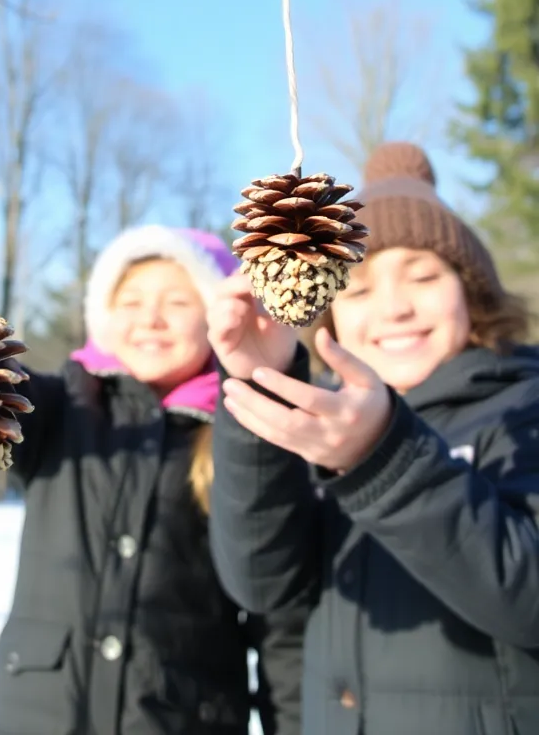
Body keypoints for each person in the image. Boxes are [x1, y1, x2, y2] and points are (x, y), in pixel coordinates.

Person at [0, 158, 302, 735]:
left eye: (178, 302)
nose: (151, 320)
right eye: (131, 303)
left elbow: (279, 617)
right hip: (39, 714)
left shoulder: (242, 431)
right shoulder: (64, 407)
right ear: (103, 317)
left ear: (221, 317)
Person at [207, 141, 539, 735]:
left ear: (472, 292)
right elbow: (262, 582)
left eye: (423, 276)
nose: (394, 308)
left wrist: (382, 458)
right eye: (359, 289)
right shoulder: (324, 423)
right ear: (327, 310)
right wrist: (267, 381)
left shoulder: (523, 409)